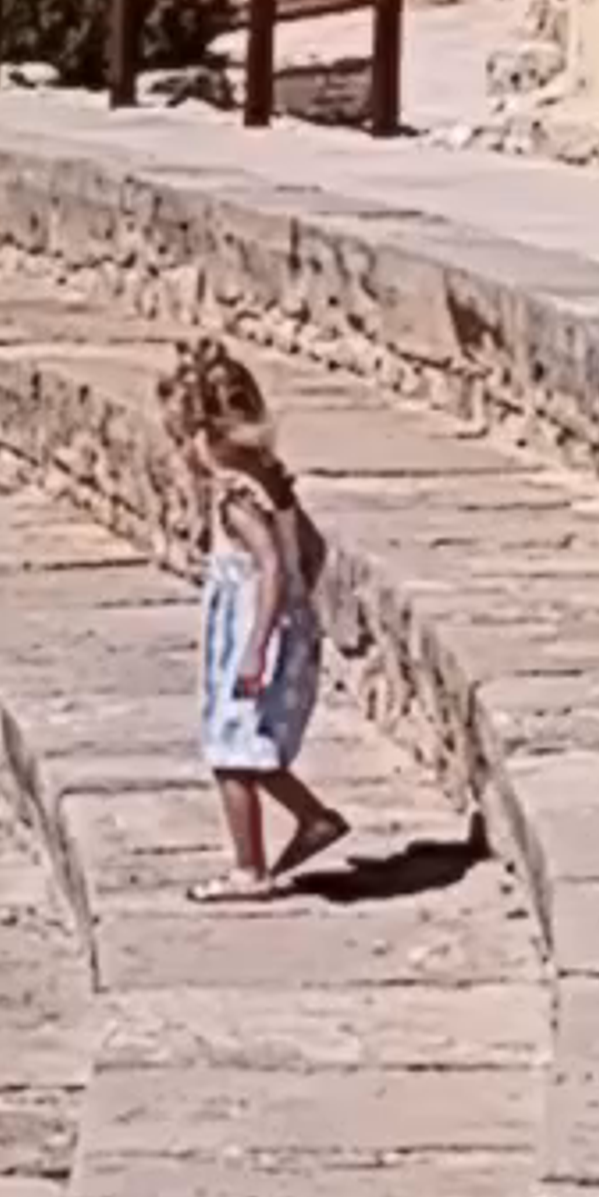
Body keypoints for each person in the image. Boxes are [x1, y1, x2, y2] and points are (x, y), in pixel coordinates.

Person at [160, 337, 348, 895]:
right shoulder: (273, 480)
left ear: (206, 436)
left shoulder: (234, 500)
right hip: (285, 628)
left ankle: (250, 869)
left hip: (252, 633)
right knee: (253, 744)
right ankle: (315, 819)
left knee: (229, 753)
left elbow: (269, 566)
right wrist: (300, 616)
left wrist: (256, 643)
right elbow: (309, 553)